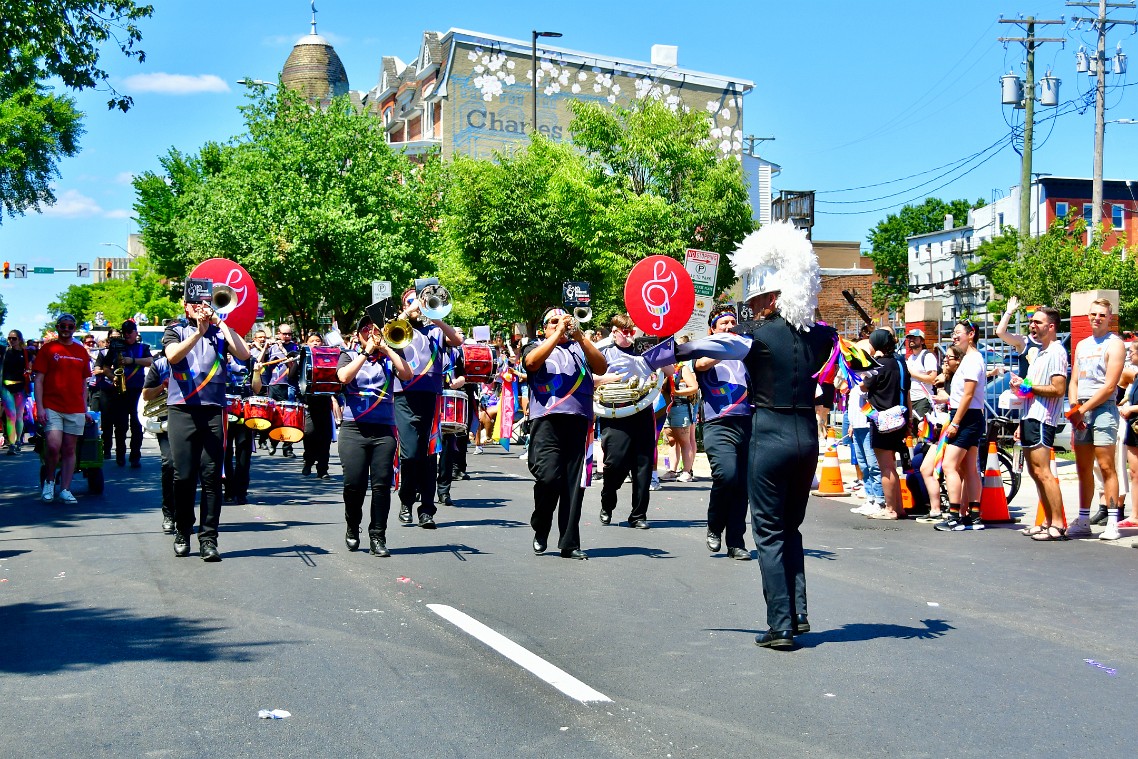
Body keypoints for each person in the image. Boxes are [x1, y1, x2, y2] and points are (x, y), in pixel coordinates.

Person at [640, 220, 839, 648]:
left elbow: (698, 349)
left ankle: (781, 625)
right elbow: (857, 361)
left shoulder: (753, 337)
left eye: (755, 301)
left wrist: (652, 356)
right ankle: (799, 612)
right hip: (808, 435)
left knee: (767, 531)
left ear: (770, 297)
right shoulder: (823, 338)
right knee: (792, 528)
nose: (750, 309)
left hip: (769, 434)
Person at [163, 297, 251, 561]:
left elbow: (244, 354)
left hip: (213, 409)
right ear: (186, 307)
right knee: (184, 476)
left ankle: (209, 539)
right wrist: (198, 333)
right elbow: (173, 356)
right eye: (195, 303)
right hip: (182, 408)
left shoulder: (220, 331)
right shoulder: (175, 330)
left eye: (206, 302)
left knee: (212, 476)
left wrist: (220, 324)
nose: (200, 307)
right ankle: (183, 530)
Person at [522, 307, 607, 559]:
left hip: (578, 421)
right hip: (546, 421)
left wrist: (580, 336)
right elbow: (531, 363)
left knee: (574, 484)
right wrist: (556, 334)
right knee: (548, 479)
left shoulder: (580, 348)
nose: (562, 326)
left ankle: (569, 542)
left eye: (565, 322)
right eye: (554, 322)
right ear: (544, 328)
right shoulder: (534, 346)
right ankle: (541, 525)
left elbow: (601, 367)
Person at [337, 315, 412, 556]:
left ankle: (378, 536)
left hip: (383, 430)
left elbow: (407, 375)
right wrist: (366, 353)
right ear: (358, 335)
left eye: (375, 330)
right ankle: (352, 525)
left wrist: (386, 349)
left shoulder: (389, 359)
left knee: (381, 485)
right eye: (366, 330)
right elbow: (344, 377)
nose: (371, 334)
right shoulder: (348, 355)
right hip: (353, 428)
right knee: (353, 485)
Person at [392, 286, 462, 529]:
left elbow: (457, 340)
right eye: (412, 302)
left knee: (429, 454)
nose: (418, 306)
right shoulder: (399, 327)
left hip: (431, 396)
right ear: (405, 306)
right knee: (410, 454)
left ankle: (427, 510)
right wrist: (409, 311)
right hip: (404, 395)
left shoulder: (435, 329)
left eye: (420, 301)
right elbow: (385, 333)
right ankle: (406, 499)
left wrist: (438, 320)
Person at [693, 305, 753, 560]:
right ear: (713, 329)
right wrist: (727, 347)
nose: (729, 327)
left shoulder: (745, 350)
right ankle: (715, 526)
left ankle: (736, 541)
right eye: (723, 324)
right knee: (726, 477)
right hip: (718, 424)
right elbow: (701, 365)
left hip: (747, 422)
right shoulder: (704, 348)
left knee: (742, 486)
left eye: (733, 323)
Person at [1008, 307, 1069, 541]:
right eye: (1031, 322)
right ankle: (1046, 521)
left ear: (1051, 327)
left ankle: (1058, 524)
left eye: (1038, 322)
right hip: (1029, 416)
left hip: (1044, 418)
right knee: (1034, 472)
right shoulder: (1040, 353)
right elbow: (1031, 389)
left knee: (1044, 472)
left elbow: (1058, 389)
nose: (1032, 325)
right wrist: (1021, 386)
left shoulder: (1056, 352)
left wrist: (1029, 387)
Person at [1067, 298, 1126, 539]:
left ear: (1109, 317)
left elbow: (1110, 386)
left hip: (1102, 409)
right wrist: (1074, 408)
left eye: (1102, 315)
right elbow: (1074, 381)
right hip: (1081, 409)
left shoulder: (1115, 344)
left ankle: (1113, 520)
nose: (1097, 318)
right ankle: (1083, 518)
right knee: (1083, 468)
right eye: (1093, 314)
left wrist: (1084, 408)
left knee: (1106, 466)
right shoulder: (1082, 345)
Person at [595, 314, 661, 530]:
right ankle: (608, 499)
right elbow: (587, 377)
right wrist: (610, 379)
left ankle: (638, 515)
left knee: (643, 464)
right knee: (615, 463)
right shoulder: (603, 351)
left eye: (633, 331)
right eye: (626, 332)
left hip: (642, 409)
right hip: (615, 412)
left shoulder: (645, 349)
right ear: (614, 332)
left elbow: (667, 371)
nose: (631, 336)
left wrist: (661, 352)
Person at [32, 314, 93, 504]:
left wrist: (85, 409)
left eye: (70, 326)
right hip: (53, 406)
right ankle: (49, 482)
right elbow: (39, 380)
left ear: (74, 328)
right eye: (63, 326)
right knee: (53, 445)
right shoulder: (48, 349)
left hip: (75, 407)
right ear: (58, 327)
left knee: (69, 448)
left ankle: (66, 488)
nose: (66, 329)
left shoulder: (81, 351)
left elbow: (84, 383)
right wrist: (40, 407)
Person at [934, 320, 988, 532]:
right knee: (968, 468)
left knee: (949, 465)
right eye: (953, 333)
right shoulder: (968, 359)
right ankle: (974, 516)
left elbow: (968, 394)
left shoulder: (973, 359)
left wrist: (955, 422)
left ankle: (955, 515)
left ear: (971, 334)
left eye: (958, 333)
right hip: (968, 415)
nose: (954, 337)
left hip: (966, 417)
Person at [861, 329, 911, 520]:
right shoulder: (900, 363)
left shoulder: (879, 365)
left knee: (886, 467)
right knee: (893, 466)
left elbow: (864, 385)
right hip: (900, 416)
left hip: (883, 419)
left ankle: (890, 509)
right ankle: (899, 508)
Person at [95, 320, 153, 467]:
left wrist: (132, 360)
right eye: (124, 332)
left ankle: (135, 456)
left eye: (129, 332)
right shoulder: (115, 347)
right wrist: (112, 377)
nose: (127, 335)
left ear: (135, 332)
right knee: (120, 426)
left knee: (137, 425)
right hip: (119, 390)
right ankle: (120, 455)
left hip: (137, 391)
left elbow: (150, 361)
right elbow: (105, 366)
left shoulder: (143, 347)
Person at [141, 353, 175, 533]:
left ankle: (186, 515)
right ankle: (169, 514)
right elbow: (146, 395)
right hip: (167, 419)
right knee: (169, 464)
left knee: (193, 468)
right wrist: (163, 386)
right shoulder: (161, 365)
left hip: (192, 419)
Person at [302, 333, 338, 479]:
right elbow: (295, 378)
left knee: (325, 437)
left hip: (324, 401)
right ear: (307, 343)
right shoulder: (303, 356)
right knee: (309, 433)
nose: (315, 343)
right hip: (308, 402)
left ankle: (322, 469)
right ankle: (308, 461)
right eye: (312, 341)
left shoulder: (327, 358)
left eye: (318, 341)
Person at [264, 323, 299, 457]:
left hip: (290, 385)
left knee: (289, 417)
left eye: (289, 334)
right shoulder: (272, 348)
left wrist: (283, 350)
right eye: (284, 334)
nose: (287, 336)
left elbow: (293, 361)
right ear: (278, 334)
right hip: (274, 385)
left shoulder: (295, 347)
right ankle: (273, 442)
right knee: (274, 416)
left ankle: (287, 447)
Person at [664, 357, 698, 482]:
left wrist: (677, 393)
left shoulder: (683, 368)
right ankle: (672, 470)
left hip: (680, 406)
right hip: (666, 408)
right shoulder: (661, 369)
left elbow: (694, 387)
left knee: (684, 441)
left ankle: (686, 471)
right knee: (671, 440)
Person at [2, 329, 30, 455]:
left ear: (20, 339)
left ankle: (18, 440)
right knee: (10, 416)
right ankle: (12, 444)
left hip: (21, 388)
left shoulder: (26, 353)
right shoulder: (4, 351)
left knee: (19, 416)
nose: (11, 341)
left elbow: (31, 367)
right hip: (6, 387)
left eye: (14, 338)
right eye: (9, 338)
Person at [905, 328, 939, 428]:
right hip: (911, 399)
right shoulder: (910, 358)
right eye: (910, 338)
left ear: (922, 341)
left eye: (915, 338)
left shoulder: (927, 356)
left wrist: (913, 374)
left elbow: (932, 379)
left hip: (923, 399)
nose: (911, 340)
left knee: (924, 430)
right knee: (913, 431)